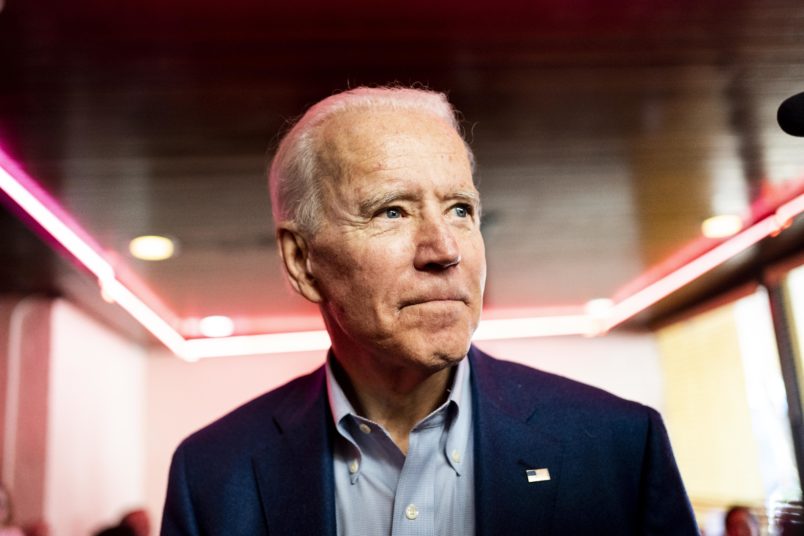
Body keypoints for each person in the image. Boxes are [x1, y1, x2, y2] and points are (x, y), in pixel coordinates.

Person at [161, 86, 699, 535]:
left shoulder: (619, 447)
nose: (445, 250)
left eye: (460, 209)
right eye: (392, 211)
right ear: (302, 260)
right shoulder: (213, 473)